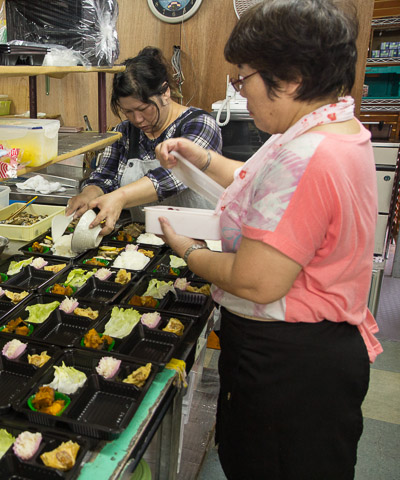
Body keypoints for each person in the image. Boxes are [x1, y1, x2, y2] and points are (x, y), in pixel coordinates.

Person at [154, 1, 382, 478]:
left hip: (290, 362)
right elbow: (261, 184)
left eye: (242, 79)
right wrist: (201, 157)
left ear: (291, 77)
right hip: (314, 351)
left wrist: (187, 249)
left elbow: (257, 281)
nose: (240, 92)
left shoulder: (307, 156)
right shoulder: (331, 129)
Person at [66, 46, 222, 234]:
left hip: (201, 238)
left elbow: (176, 176)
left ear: (165, 92)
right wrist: (89, 194)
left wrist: (121, 197)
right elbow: (105, 175)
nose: (137, 119)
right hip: (148, 242)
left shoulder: (200, 124)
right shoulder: (124, 132)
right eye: (128, 112)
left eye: (143, 108)